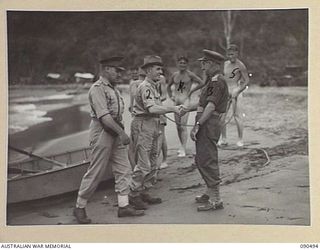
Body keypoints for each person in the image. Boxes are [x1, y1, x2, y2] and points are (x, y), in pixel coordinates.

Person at [73, 56, 145, 224]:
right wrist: (122, 133)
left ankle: (124, 206)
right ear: (106, 69)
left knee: (123, 169)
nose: (120, 74)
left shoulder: (114, 88)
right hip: (103, 132)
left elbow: (116, 114)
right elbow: (104, 117)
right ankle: (79, 207)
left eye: (120, 71)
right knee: (96, 171)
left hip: (115, 130)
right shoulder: (97, 89)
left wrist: (119, 132)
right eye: (116, 70)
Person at [129, 55, 183, 209]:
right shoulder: (145, 86)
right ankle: (133, 194)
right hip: (143, 124)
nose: (161, 71)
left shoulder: (154, 85)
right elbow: (151, 108)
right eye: (157, 69)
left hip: (154, 123)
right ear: (148, 70)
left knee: (154, 160)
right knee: (144, 162)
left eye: (161, 68)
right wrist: (173, 108)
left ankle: (144, 191)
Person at [188, 49, 229, 211]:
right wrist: (186, 109)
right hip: (206, 121)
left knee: (208, 159)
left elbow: (211, 106)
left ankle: (216, 199)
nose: (202, 67)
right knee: (201, 158)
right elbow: (204, 104)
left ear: (212, 63)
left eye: (204, 63)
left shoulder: (216, 81)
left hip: (209, 123)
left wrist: (198, 125)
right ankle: (209, 191)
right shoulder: (211, 81)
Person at [167, 56, 203, 157]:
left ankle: (183, 147)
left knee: (183, 125)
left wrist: (192, 91)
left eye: (184, 63)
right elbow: (168, 87)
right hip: (176, 102)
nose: (182, 65)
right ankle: (181, 145)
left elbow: (202, 83)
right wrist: (171, 96)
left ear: (187, 64)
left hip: (186, 101)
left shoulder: (190, 74)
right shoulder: (174, 75)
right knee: (178, 126)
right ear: (177, 64)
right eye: (180, 63)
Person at [219, 44, 250, 147]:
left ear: (237, 53)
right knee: (221, 115)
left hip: (236, 91)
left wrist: (238, 90)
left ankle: (240, 139)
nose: (230, 56)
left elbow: (246, 81)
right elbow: (221, 77)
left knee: (237, 116)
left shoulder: (241, 65)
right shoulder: (224, 64)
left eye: (232, 54)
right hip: (225, 92)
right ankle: (223, 139)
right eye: (229, 54)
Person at [157, 73, 168, 169]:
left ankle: (164, 160)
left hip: (158, 108)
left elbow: (164, 95)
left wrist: (154, 100)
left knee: (161, 136)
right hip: (147, 111)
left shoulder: (161, 78)